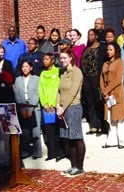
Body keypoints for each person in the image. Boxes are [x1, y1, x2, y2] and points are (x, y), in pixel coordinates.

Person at [56, 47, 86, 177]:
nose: (62, 60)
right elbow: (59, 91)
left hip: (73, 108)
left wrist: (64, 107)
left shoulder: (76, 72)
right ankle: (73, 165)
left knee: (76, 137)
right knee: (68, 138)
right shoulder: (62, 73)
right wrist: (58, 105)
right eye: (60, 58)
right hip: (62, 109)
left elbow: (73, 92)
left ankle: (80, 167)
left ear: (71, 58)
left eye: (64, 58)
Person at [100, 41, 124, 149]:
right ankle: (111, 141)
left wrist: (107, 91)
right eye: (107, 50)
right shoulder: (105, 64)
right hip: (107, 94)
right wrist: (104, 92)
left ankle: (123, 141)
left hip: (117, 92)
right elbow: (101, 79)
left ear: (116, 51)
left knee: (120, 117)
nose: (108, 52)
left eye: (111, 49)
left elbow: (118, 79)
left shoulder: (120, 62)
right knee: (111, 118)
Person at [80, 28, 107, 135]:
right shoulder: (86, 48)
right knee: (90, 102)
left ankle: (102, 126)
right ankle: (93, 126)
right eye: (88, 35)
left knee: (98, 101)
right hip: (86, 78)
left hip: (97, 78)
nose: (89, 37)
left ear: (96, 36)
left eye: (92, 35)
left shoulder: (102, 48)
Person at [39, 53, 65, 162]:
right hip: (46, 107)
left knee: (58, 130)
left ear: (52, 60)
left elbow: (59, 89)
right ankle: (52, 153)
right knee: (48, 130)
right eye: (43, 59)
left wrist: (55, 104)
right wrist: (44, 103)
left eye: (46, 59)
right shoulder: (43, 74)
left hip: (56, 105)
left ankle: (60, 152)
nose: (44, 61)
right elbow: (41, 90)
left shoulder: (58, 71)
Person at [14, 60, 42, 159]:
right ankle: (25, 151)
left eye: (27, 66)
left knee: (36, 131)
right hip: (22, 108)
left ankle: (37, 152)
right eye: (23, 67)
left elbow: (38, 93)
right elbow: (17, 94)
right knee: (24, 132)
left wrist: (30, 108)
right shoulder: (18, 79)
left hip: (34, 107)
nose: (25, 68)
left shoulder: (37, 79)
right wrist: (22, 108)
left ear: (31, 68)